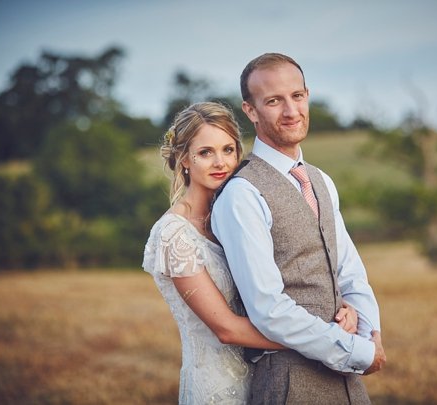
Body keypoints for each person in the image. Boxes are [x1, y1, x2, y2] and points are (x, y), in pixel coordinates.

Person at [142, 101, 359, 404]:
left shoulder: (237, 218)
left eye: (228, 150)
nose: (220, 162)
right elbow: (226, 330)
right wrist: (323, 338)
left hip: (268, 381)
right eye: (206, 152)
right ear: (184, 159)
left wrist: (340, 308)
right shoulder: (173, 235)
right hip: (217, 388)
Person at [211, 53, 387, 404]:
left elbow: (349, 272)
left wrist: (371, 332)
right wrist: (355, 351)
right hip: (289, 381)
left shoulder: (321, 181)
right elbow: (268, 308)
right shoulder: (241, 194)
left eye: (298, 96)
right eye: (274, 101)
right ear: (250, 110)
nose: (291, 111)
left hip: (348, 381)